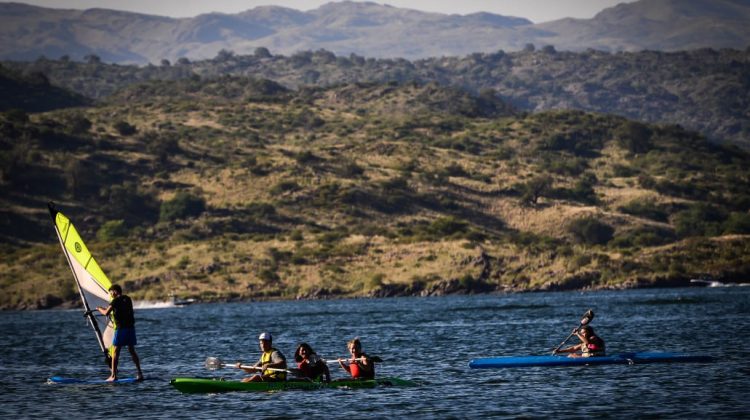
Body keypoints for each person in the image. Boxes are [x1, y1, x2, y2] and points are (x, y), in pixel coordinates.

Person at [96, 284, 144, 381]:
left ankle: (113, 376)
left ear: (115, 291)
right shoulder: (128, 299)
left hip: (121, 329)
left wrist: (99, 308)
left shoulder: (115, 301)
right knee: (132, 351)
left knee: (116, 352)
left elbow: (106, 313)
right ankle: (140, 373)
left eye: (111, 292)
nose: (111, 294)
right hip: (130, 328)